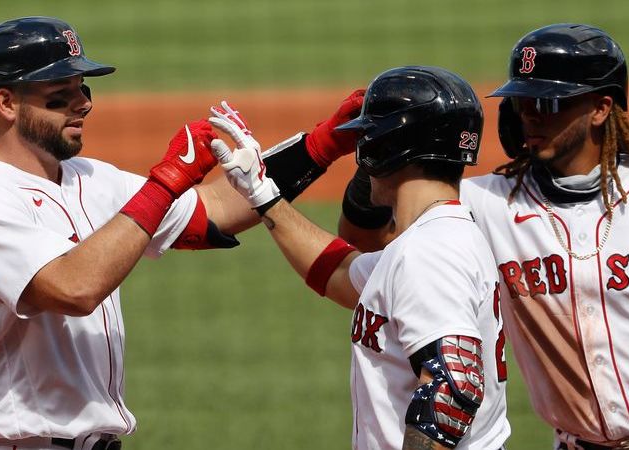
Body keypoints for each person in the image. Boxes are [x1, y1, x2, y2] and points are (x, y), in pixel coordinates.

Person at [0, 16, 364, 450]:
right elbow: (74, 288)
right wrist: (166, 182)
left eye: (83, 90)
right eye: (60, 95)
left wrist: (326, 143)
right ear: (6, 102)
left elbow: (217, 210)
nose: (82, 104)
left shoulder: (91, 178)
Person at [338, 24, 629, 449]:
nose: (530, 115)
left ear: (601, 108)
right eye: (521, 101)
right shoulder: (486, 204)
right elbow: (366, 238)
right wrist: (385, 144)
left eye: (548, 101)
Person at [208, 66, 510, 450]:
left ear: (390, 150)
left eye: (370, 138)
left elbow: (453, 387)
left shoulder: (429, 252)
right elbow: (338, 272)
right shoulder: (436, 238)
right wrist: (261, 193)